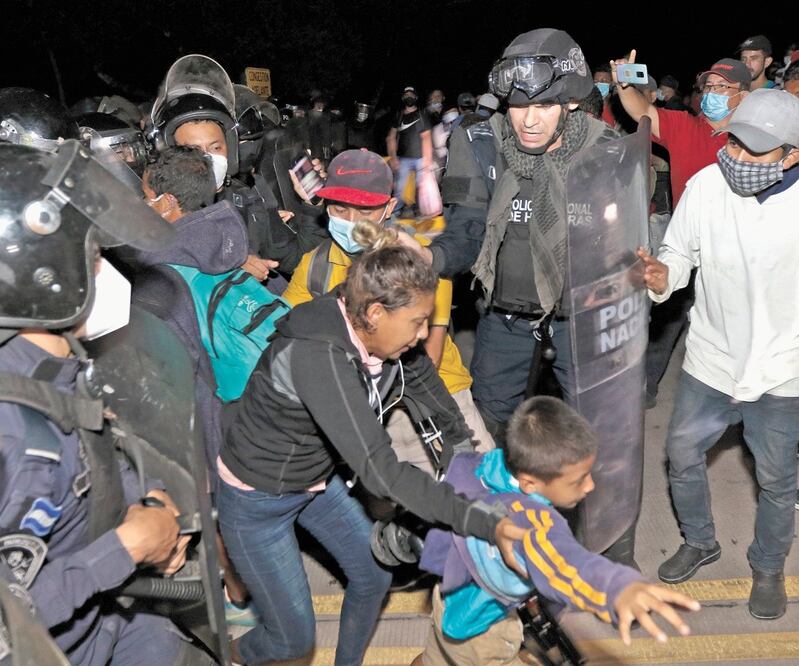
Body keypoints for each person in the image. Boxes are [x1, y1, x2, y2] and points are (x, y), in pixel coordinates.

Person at [217, 245, 528, 665]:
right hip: (257, 502)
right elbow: (381, 472)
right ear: (377, 313)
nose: (424, 335)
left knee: (372, 574)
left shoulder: (383, 337)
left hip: (314, 483)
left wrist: (470, 470)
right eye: (417, 322)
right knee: (292, 641)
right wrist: (481, 520)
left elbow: (443, 411)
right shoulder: (319, 357)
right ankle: (227, 653)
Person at [0, 140, 211, 664]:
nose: (107, 273)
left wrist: (153, 504)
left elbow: (95, 452)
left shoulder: (56, 369)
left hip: (114, 624)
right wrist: (126, 550)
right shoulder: (13, 430)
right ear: (44, 277)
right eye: (94, 258)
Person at [638, 89, 799, 620]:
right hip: (711, 360)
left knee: (777, 481)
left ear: (793, 154)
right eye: (735, 143)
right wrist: (664, 275)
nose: (739, 158)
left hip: (782, 371)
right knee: (681, 454)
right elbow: (679, 251)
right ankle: (700, 540)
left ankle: (768, 567)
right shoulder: (707, 186)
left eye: (759, 151)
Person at [415, 397, 700, 665]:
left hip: (448, 603)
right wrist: (616, 588)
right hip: (483, 632)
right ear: (529, 484)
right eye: (578, 480)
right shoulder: (528, 522)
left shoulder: (482, 468)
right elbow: (566, 564)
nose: (590, 486)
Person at [283, 149, 495, 474]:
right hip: (368, 409)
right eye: (340, 209)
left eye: (365, 211)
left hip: (438, 396)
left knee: (482, 492)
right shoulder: (316, 267)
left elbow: (431, 354)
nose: (353, 223)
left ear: (389, 208)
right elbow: (289, 337)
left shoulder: (416, 260)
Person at [150, 54, 327, 276]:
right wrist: (228, 264)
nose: (207, 160)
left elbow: (300, 261)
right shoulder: (153, 209)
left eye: (215, 148)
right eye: (193, 151)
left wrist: (312, 206)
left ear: (231, 149)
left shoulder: (248, 200)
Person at [386, 86, 434, 219]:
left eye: (411, 95)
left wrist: (428, 159)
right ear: (402, 98)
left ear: (416, 97)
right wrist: (393, 158)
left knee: (422, 189)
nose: (409, 97)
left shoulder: (421, 113)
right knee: (399, 189)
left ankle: (421, 213)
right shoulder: (399, 115)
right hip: (404, 159)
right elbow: (391, 137)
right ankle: (393, 214)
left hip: (421, 159)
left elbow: (426, 136)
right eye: (406, 95)